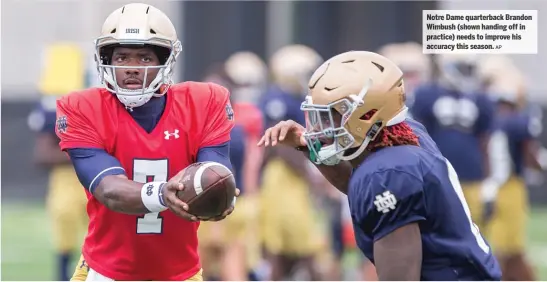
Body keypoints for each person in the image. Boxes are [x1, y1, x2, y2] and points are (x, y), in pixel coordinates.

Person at [258, 51, 502, 280]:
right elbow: (356, 184)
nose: (319, 127)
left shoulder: (389, 173)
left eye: (330, 114)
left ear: (367, 113)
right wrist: (308, 146)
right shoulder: (404, 134)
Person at [56, 3, 238, 281]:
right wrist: (164, 194)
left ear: (165, 61)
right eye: (122, 57)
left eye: (144, 58)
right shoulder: (82, 107)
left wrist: (216, 191)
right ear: (106, 60)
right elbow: (109, 190)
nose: (132, 68)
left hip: (180, 273)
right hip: (105, 272)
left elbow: (213, 171)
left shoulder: (204, 102)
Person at [258, 44, 326, 280]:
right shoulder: (278, 99)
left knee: (298, 245)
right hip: (283, 175)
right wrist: (310, 171)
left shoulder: (295, 97)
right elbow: (278, 144)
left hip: (294, 174)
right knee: (293, 243)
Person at [198, 55, 265, 281]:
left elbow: (248, 165)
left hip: (223, 205)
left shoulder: (234, 127)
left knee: (218, 267)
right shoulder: (237, 124)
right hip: (225, 203)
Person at [410, 54, 496, 231]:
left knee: (474, 226)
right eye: (464, 68)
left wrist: (489, 182)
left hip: (471, 172)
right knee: (437, 225)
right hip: (436, 170)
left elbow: (485, 141)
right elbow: (417, 135)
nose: (468, 73)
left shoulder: (481, 99)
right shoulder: (427, 94)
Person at [27, 43, 88, 281]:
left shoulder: (102, 104)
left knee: (107, 240)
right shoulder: (55, 108)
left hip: (99, 179)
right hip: (67, 182)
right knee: (65, 238)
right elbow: (42, 155)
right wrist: (83, 150)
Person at [476, 63, 543, 280]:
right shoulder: (517, 121)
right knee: (505, 249)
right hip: (509, 186)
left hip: (484, 186)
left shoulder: (487, 119)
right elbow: (529, 156)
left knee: (506, 249)